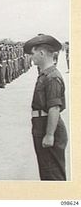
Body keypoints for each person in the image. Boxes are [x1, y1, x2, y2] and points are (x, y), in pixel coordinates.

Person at [23, 34, 68, 181]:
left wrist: (49, 134)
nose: (32, 57)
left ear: (42, 53)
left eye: (33, 53)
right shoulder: (46, 74)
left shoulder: (52, 77)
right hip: (41, 124)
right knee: (46, 171)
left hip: (47, 126)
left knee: (52, 173)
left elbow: (54, 108)